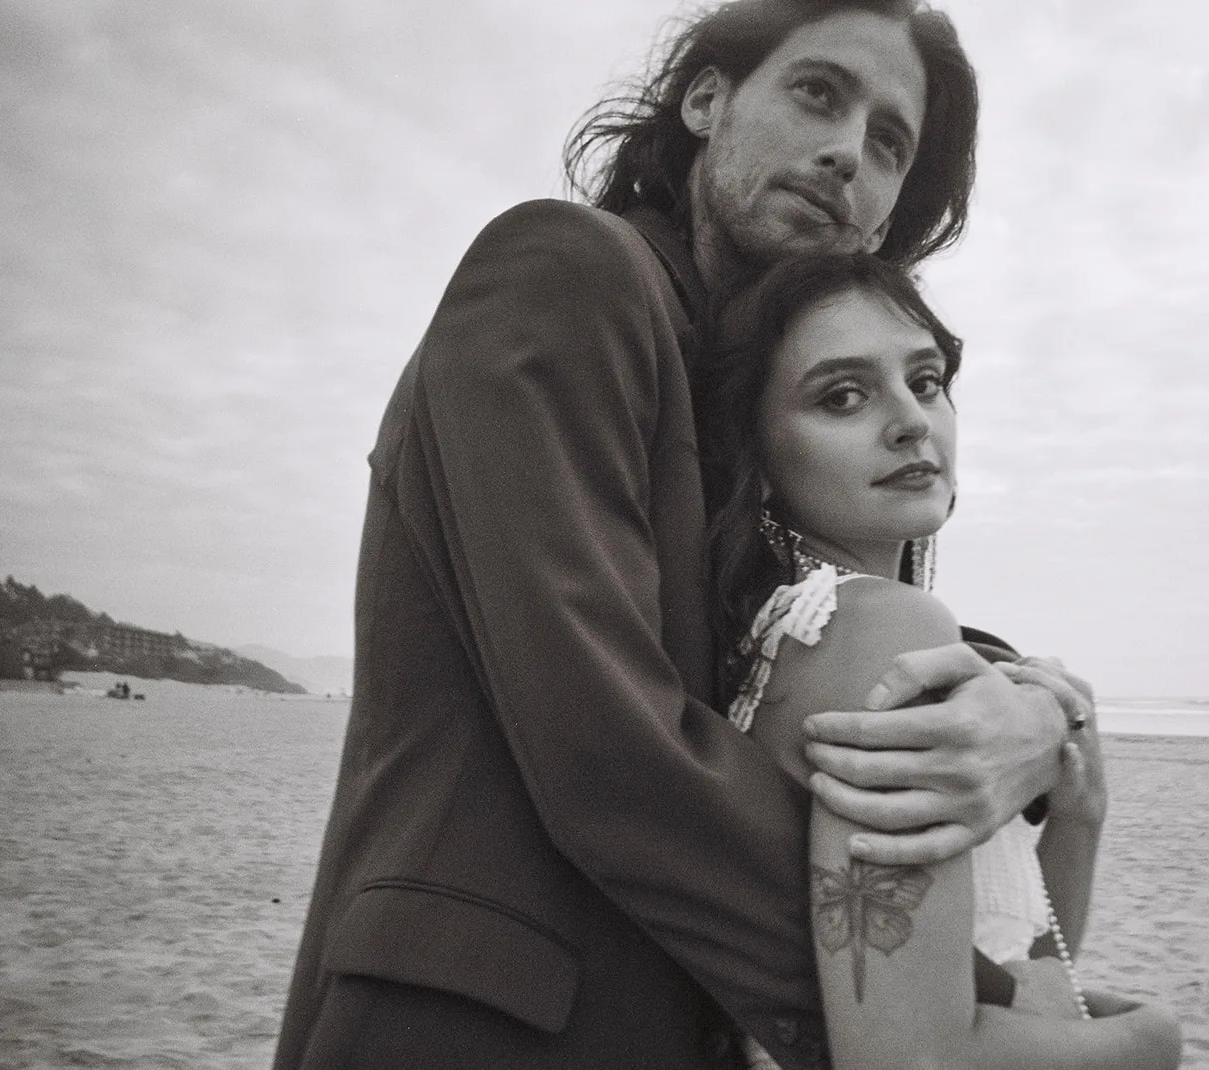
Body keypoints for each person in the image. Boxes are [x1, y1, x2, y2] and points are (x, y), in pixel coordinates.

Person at [274, 2, 1082, 1067]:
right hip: (472, 1024)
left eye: (889, 142)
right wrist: (936, 1002)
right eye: (817, 93)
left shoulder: (743, 411)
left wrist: (1030, 699)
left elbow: (796, 613)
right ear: (705, 99)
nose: (847, 151)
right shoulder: (566, 272)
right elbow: (601, 735)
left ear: (886, 215)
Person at [697, 251, 1184, 1069]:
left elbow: (1013, 963)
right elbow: (908, 1059)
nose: (911, 421)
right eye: (842, 395)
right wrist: (1149, 1043)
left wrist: (1078, 817)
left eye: (925, 381)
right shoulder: (876, 631)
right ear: (758, 454)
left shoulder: (781, 642)